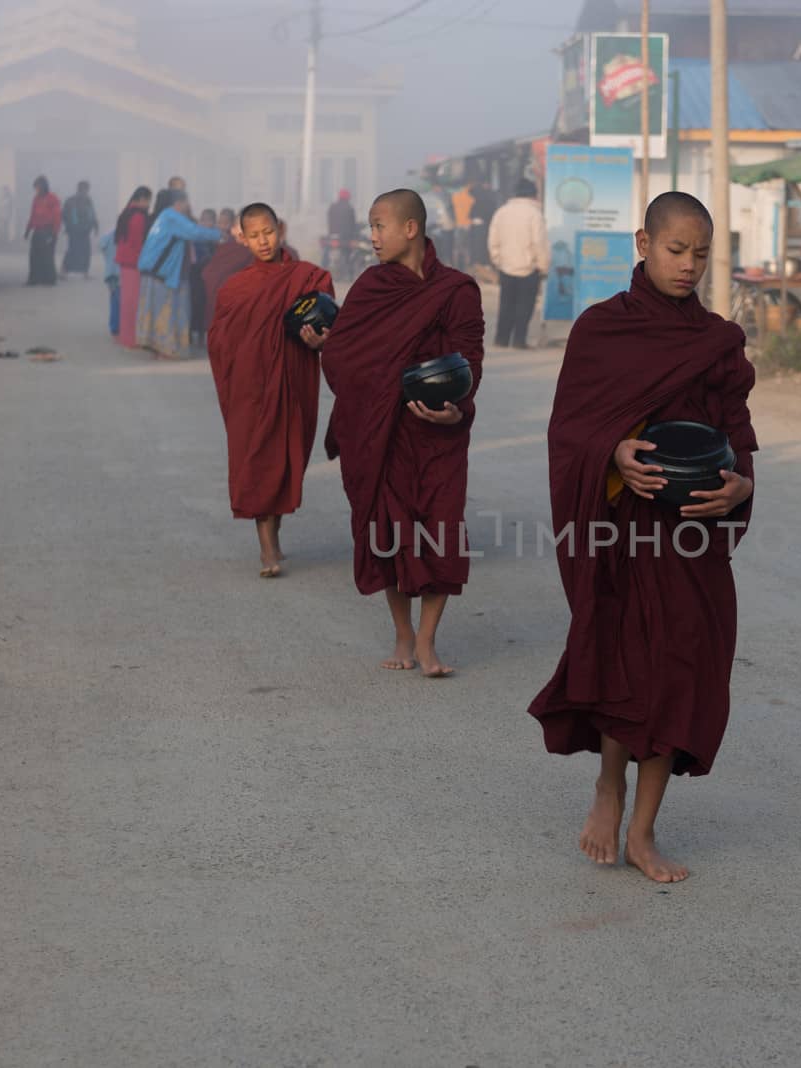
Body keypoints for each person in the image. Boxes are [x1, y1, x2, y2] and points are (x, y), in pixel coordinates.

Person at [526, 192, 758, 884]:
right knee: (624, 660)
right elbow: (569, 428)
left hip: (692, 535)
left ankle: (646, 829)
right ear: (642, 243)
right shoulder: (602, 331)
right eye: (675, 249)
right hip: (624, 530)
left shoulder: (717, 341)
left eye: (701, 253)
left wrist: (742, 483)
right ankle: (608, 785)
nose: (688, 265)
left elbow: (736, 434)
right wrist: (613, 452)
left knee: (685, 667)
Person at [319, 189, 484, 678]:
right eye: (370, 227)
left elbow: (469, 359)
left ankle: (429, 639)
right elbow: (341, 354)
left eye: (378, 226)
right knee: (386, 531)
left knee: (440, 532)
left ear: (410, 229)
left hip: (438, 434)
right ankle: (403, 633)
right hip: (382, 432)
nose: (371, 236)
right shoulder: (371, 288)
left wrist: (457, 410)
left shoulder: (457, 290)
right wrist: (371, 389)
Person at [207, 203, 336, 578]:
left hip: (293, 381)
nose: (263, 241)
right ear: (243, 239)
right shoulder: (236, 288)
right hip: (250, 386)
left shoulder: (309, 278)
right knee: (259, 455)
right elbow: (218, 340)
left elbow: (332, 326)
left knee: (283, 459)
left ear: (280, 229)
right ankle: (267, 548)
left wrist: (318, 341)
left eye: (268, 232)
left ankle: (274, 535)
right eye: (254, 235)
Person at [135, 189, 222, 359]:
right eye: (186, 201)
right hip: (163, 272)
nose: (188, 205)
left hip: (156, 270)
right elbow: (195, 232)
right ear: (179, 203)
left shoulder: (165, 216)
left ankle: (157, 347)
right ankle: (165, 349)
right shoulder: (173, 217)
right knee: (166, 310)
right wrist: (221, 235)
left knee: (157, 308)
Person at [487, 179, 550, 349]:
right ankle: (519, 340)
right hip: (529, 268)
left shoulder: (502, 212)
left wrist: (497, 260)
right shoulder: (535, 214)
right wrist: (543, 266)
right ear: (533, 194)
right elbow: (539, 243)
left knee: (506, 303)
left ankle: (501, 338)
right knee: (525, 305)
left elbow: (493, 240)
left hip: (506, 266)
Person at [113, 186, 153, 348]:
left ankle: (125, 335)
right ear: (142, 199)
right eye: (148, 200)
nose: (149, 204)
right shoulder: (138, 216)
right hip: (134, 262)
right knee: (133, 302)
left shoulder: (126, 212)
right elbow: (138, 242)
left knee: (126, 300)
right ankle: (131, 339)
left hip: (124, 261)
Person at [189, 207, 221, 348]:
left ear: (214, 222)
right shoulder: (197, 236)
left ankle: (202, 336)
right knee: (193, 304)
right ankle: (191, 334)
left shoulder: (216, 238)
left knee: (204, 305)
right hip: (195, 274)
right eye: (203, 220)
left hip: (208, 277)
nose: (205, 223)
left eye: (209, 220)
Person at [24, 176, 62, 286]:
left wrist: (54, 233)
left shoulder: (52, 198)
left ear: (44, 186)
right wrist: (28, 230)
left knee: (47, 256)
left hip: (48, 230)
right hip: (37, 230)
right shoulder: (36, 199)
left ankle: (50, 279)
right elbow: (33, 215)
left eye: (38, 187)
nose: (36, 189)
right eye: (35, 187)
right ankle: (34, 278)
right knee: (34, 255)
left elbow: (57, 216)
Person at [61, 180, 98, 278]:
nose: (85, 191)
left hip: (85, 231)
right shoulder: (71, 200)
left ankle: (85, 272)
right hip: (74, 231)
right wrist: (68, 226)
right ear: (79, 189)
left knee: (85, 252)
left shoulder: (88, 201)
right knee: (72, 251)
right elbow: (64, 215)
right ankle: (64, 271)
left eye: (86, 189)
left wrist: (95, 227)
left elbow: (92, 214)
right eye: (85, 189)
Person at [100, 227, 120, 336]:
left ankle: (114, 326)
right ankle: (117, 326)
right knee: (119, 300)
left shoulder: (110, 234)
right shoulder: (124, 234)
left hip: (110, 272)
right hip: (120, 272)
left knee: (114, 299)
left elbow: (102, 245)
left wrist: (108, 258)